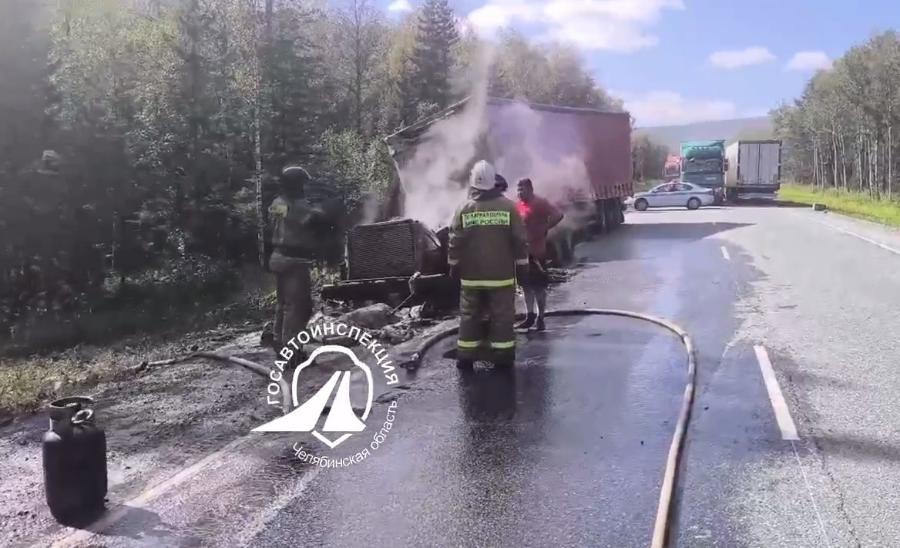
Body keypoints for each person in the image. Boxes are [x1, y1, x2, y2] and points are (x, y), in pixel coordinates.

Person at [448, 161, 529, 370]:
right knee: (502, 316)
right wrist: (523, 266)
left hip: (471, 277)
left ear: (473, 184)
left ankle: (465, 356)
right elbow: (520, 241)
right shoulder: (509, 207)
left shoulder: (463, 208)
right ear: (494, 182)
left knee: (469, 316)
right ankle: (502, 357)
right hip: (501, 276)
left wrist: (453, 265)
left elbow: (455, 241)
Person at [265, 165, 325, 360]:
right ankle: (291, 351)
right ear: (296, 185)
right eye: (302, 184)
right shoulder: (301, 206)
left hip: (278, 256)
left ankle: (279, 340)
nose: (304, 188)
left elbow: (275, 224)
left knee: (283, 303)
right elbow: (313, 221)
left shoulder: (278, 203)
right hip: (294, 259)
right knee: (299, 307)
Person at [515, 178, 564, 331]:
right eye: (518, 189)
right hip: (522, 255)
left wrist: (545, 228)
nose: (519, 193)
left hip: (537, 254)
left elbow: (558, 214)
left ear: (530, 189)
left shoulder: (540, 203)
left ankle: (540, 317)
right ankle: (529, 316)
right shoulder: (518, 206)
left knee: (539, 287)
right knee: (526, 286)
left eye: (521, 189)